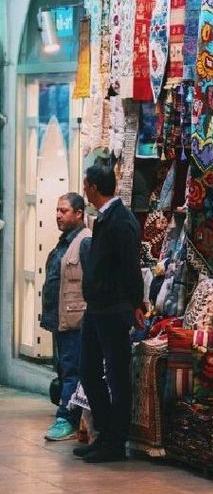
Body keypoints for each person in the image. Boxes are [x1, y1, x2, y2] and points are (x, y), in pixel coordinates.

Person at [75, 164, 145, 463]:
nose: (84, 190)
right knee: (89, 370)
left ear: (93, 188)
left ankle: (115, 442)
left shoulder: (120, 221)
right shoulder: (106, 219)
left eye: (85, 185)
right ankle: (105, 433)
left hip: (114, 309)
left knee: (116, 376)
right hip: (98, 309)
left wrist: (137, 303)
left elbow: (131, 265)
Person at [41, 193, 92, 441]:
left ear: (79, 213)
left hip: (75, 320)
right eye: (57, 210)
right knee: (65, 368)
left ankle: (67, 417)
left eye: (64, 211)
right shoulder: (65, 241)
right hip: (61, 319)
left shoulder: (84, 241)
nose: (59, 215)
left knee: (73, 369)